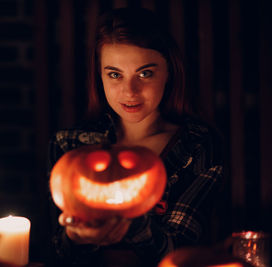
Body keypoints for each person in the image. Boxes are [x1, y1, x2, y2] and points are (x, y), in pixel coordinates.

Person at [47, 7, 224, 267]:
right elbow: (52, 252)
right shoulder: (69, 146)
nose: (129, 91)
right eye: (115, 74)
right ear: (100, 76)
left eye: (145, 73)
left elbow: (181, 252)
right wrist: (75, 237)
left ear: (168, 73)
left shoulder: (196, 147)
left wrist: (127, 224)